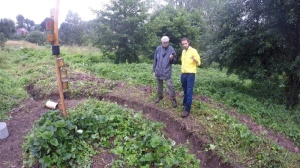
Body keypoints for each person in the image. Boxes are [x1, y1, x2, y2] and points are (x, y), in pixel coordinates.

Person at [153, 36, 177, 108]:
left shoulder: (171, 49)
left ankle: (173, 100)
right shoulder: (158, 48)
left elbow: (175, 60)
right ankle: (160, 96)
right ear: (161, 42)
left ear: (168, 42)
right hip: (158, 71)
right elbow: (155, 60)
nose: (165, 44)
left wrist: (172, 58)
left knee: (170, 86)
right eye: (164, 43)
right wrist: (154, 70)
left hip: (167, 71)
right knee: (159, 86)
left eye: (166, 42)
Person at [180, 37, 201, 118]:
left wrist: (195, 59)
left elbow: (199, 63)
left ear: (188, 42)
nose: (184, 45)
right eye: (183, 44)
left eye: (185, 43)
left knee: (189, 91)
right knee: (184, 89)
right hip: (183, 74)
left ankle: (187, 109)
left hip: (191, 74)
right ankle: (185, 102)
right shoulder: (183, 51)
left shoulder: (193, 51)